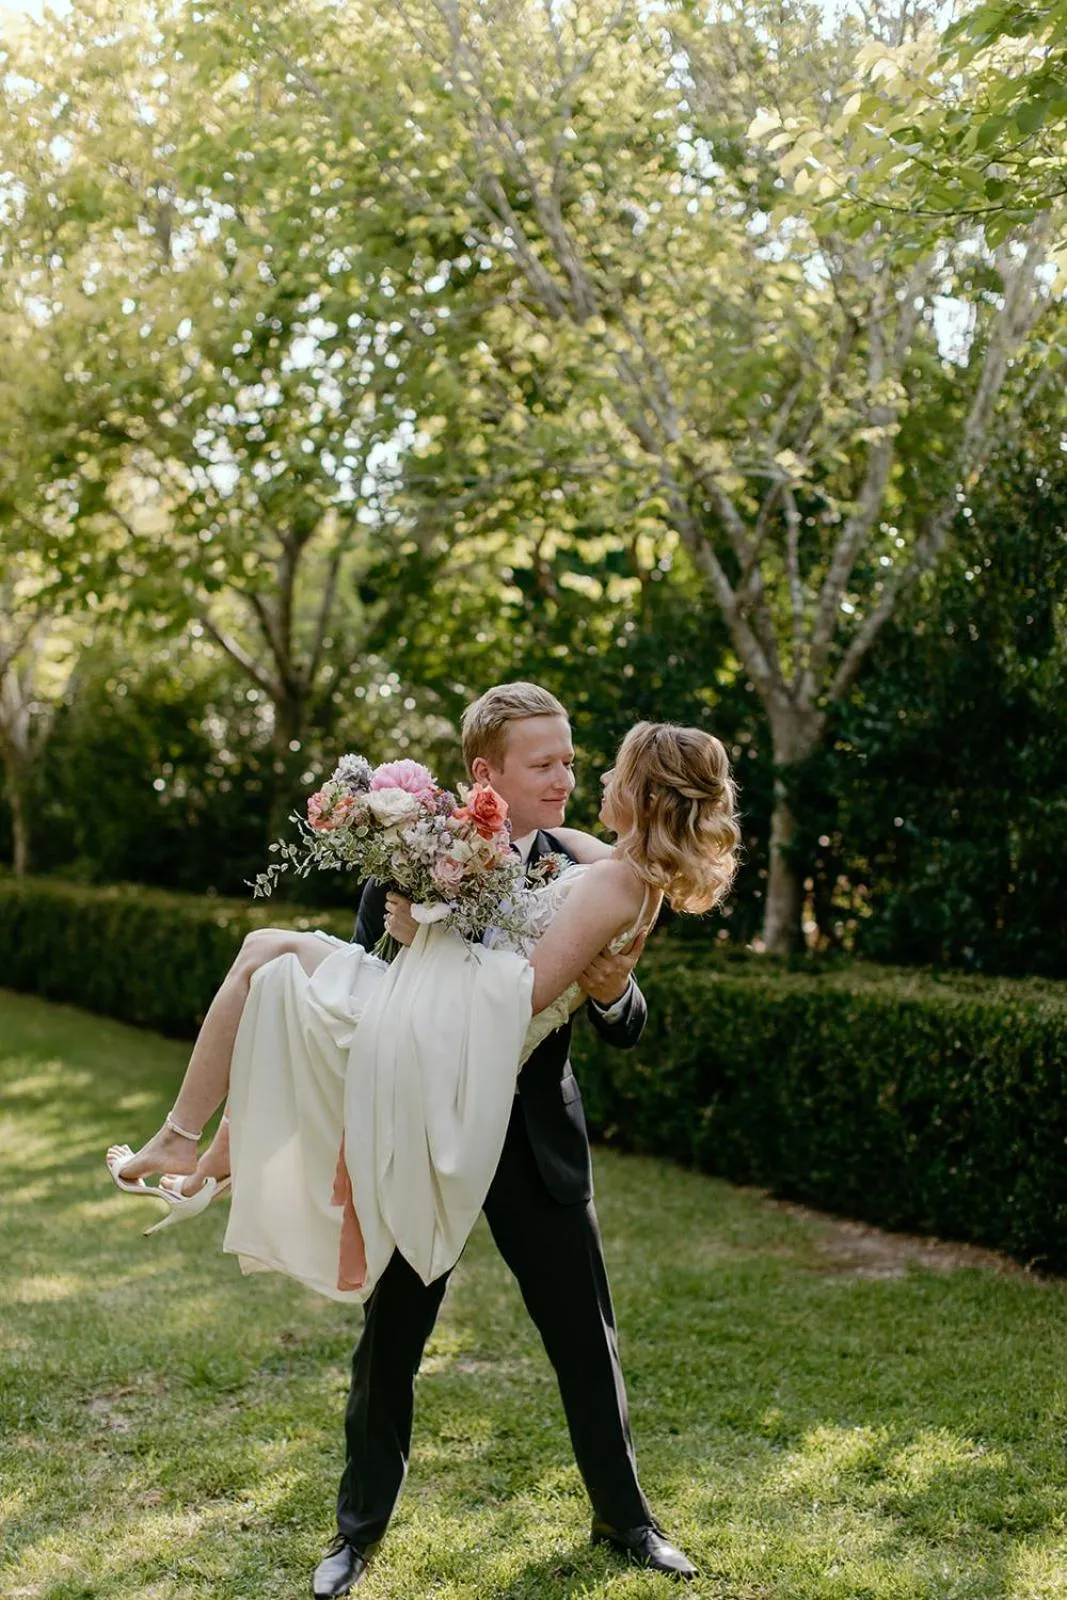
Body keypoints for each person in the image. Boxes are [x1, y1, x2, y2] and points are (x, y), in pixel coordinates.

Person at [108, 689, 740, 1595]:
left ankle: (628, 1521)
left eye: (573, 762)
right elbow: (376, 1011)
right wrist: (418, 929)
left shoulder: (592, 862)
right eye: (546, 764)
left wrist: (610, 987)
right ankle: (354, 1536)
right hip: (420, 1120)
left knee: (581, 1337)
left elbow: (618, 1010)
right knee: (390, 1339)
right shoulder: (406, 860)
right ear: (488, 775)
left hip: (532, 1138)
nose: (566, 777)